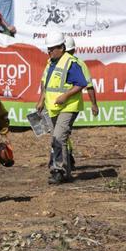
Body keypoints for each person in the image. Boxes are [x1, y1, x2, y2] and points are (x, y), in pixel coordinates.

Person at [36, 32, 88, 184]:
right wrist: (41, 100)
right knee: (57, 139)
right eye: (48, 49)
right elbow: (45, 83)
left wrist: (65, 95)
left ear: (61, 47)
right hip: (53, 107)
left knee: (59, 137)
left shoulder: (71, 63)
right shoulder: (50, 62)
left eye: (52, 49)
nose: (49, 52)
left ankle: (59, 170)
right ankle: (66, 171)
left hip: (68, 106)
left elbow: (81, 83)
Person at [63, 36, 99, 170]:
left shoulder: (78, 65)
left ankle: (66, 158)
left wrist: (94, 104)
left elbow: (89, 85)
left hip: (71, 105)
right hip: (56, 105)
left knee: (62, 132)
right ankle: (67, 156)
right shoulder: (54, 63)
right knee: (61, 133)